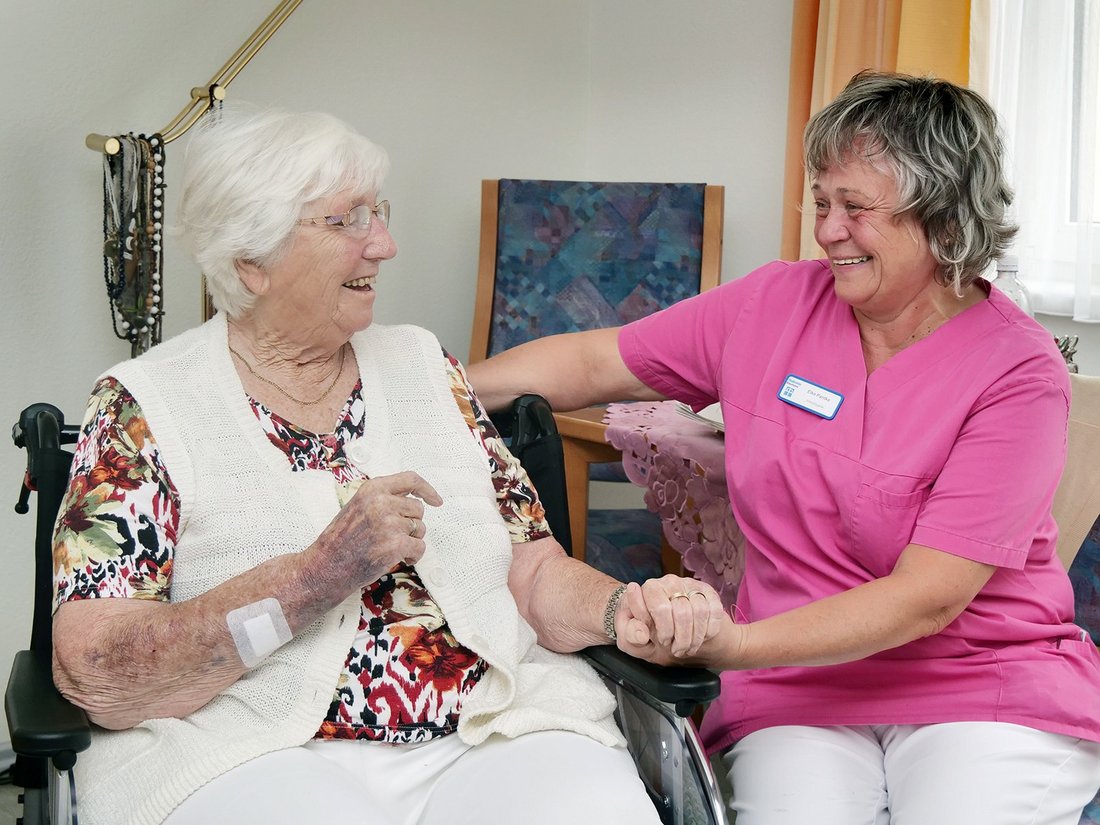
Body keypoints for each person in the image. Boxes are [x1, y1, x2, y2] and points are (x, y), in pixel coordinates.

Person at [50, 103, 724, 825]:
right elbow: (96, 666)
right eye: (347, 221)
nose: (385, 244)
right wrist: (312, 579)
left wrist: (622, 609)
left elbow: (533, 571)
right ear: (251, 260)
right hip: (246, 748)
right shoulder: (144, 407)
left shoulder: (424, 366)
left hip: (492, 725)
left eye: (379, 212)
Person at [466, 71, 1100, 824]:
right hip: (797, 680)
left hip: (980, 679)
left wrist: (727, 645)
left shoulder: (1017, 370)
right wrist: (426, 385)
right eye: (822, 202)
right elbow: (593, 363)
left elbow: (929, 598)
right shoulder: (773, 305)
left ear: (942, 218)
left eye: (855, 209)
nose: (828, 230)